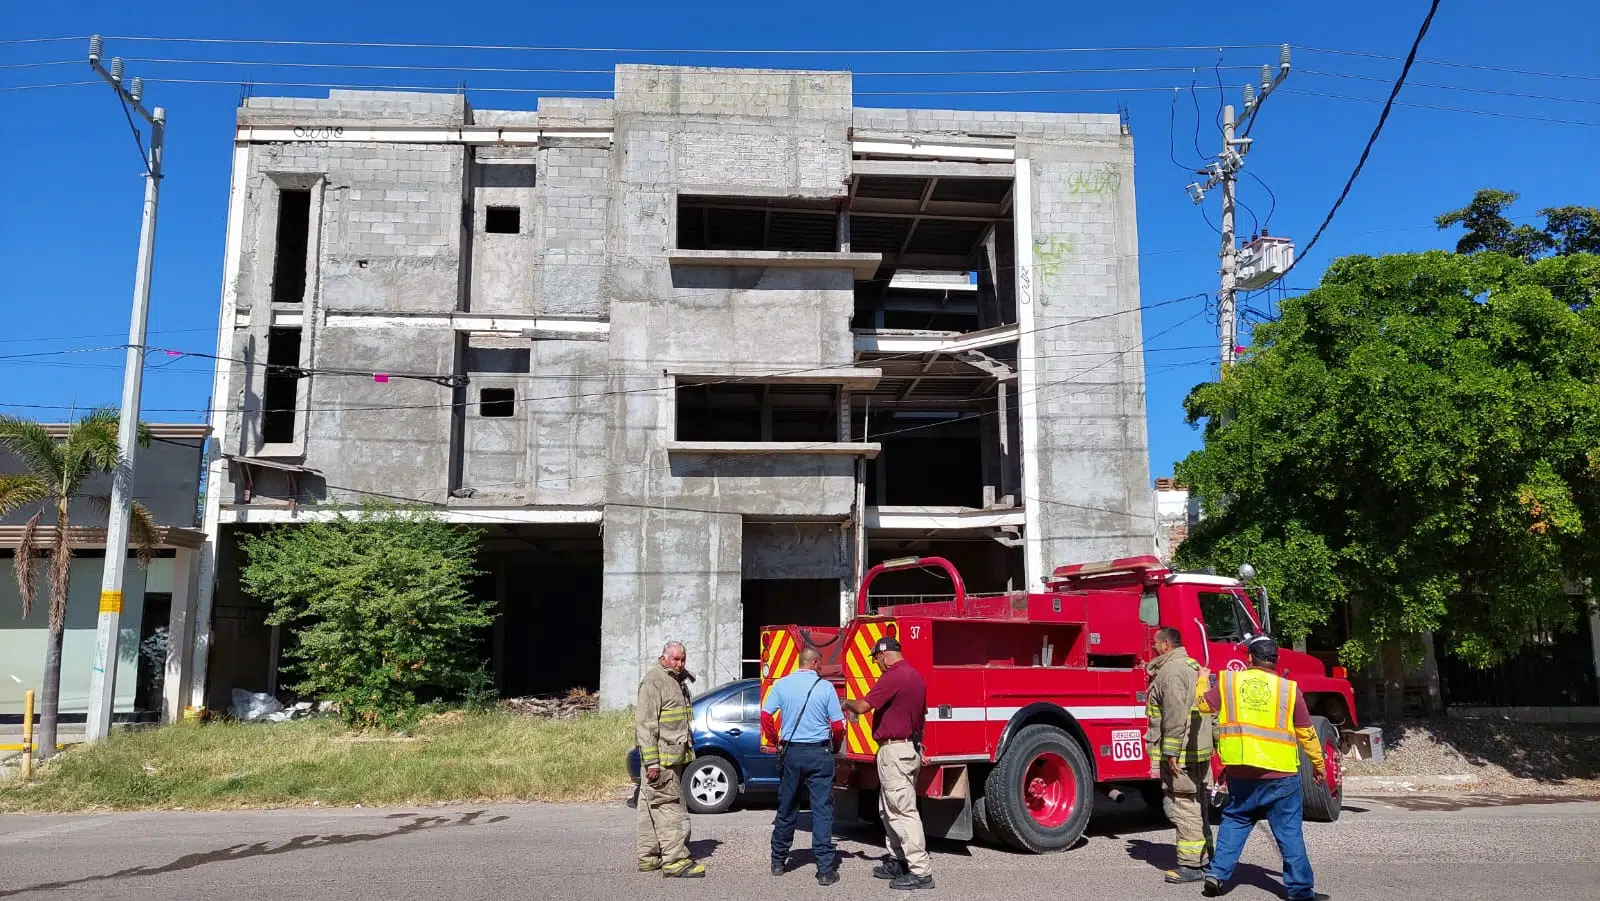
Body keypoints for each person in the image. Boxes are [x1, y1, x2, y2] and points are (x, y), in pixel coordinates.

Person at [1195, 636, 1329, 901]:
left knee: (1235, 820)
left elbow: (1202, 705)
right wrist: (1319, 764)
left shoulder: (1228, 682)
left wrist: (1202, 679)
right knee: (1288, 832)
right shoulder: (1289, 690)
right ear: (1276, 662)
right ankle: (1300, 891)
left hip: (1241, 771)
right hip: (1280, 774)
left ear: (1249, 659)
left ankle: (1217, 874)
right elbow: (1306, 732)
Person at [843, 635, 933, 891]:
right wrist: (919, 747)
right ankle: (898, 859)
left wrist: (845, 702)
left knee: (903, 811)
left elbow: (862, 707)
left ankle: (920, 871)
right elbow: (919, 720)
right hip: (906, 749)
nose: (877, 664)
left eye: (876, 659)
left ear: (883, 654)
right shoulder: (915, 677)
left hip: (895, 751)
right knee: (888, 809)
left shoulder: (893, 676)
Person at [761, 645, 846, 886]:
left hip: (792, 753)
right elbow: (838, 726)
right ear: (816, 663)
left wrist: (773, 739)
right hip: (819, 753)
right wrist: (835, 745)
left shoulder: (782, 684)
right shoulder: (825, 687)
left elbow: (766, 715)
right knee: (822, 810)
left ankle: (778, 861)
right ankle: (825, 870)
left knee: (787, 806)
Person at [1145, 625, 1213, 884]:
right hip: (1199, 748)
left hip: (1182, 752)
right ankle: (1207, 856)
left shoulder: (1172, 672)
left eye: (1156, 642)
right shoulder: (1194, 666)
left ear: (1166, 645)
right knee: (1198, 804)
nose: (1153, 646)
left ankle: (1191, 866)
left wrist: (1171, 751)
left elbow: (1175, 714)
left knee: (1184, 805)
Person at [635, 641, 705, 878]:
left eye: (683, 659)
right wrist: (652, 763)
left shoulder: (675, 681)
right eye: (675, 659)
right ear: (663, 658)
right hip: (661, 761)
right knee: (668, 808)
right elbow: (645, 726)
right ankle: (675, 861)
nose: (680, 663)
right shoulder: (654, 681)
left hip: (671, 758)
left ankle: (649, 857)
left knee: (649, 806)